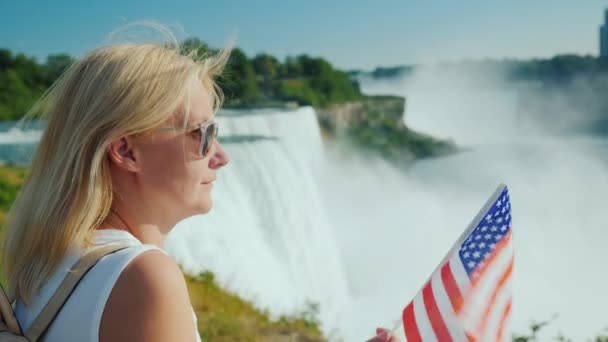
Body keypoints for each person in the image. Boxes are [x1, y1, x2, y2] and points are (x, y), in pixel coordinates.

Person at [2, 26, 397, 341]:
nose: (222, 156)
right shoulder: (143, 277)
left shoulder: (49, 261)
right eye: (203, 133)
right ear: (126, 151)